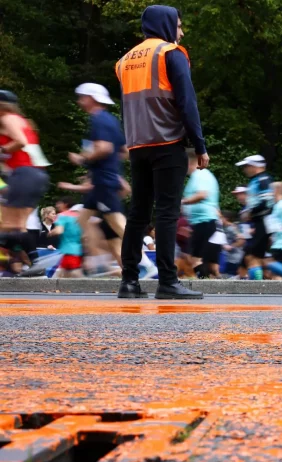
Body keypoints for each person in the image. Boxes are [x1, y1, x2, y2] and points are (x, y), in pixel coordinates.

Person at [115, 4, 205, 298]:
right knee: (167, 213)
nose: (181, 31)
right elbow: (187, 103)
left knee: (138, 214)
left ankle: (129, 282)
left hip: (138, 145)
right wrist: (199, 145)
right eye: (179, 25)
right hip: (167, 143)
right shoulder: (170, 53)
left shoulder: (125, 61)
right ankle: (167, 281)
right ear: (166, 25)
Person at [69, 83, 128, 273]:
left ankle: (143, 263)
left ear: (92, 98)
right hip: (101, 180)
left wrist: (83, 158)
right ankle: (117, 265)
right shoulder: (111, 120)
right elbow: (124, 151)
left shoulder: (99, 119)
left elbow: (104, 148)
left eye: (82, 97)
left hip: (104, 180)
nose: (80, 101)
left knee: (117, 223)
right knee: (82, 222)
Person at [0, 90, 50, 274]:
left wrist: (2, 150)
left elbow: (19, 142)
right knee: (16, 225)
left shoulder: (8, 118)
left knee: (9, 224)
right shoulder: (22, 120)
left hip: (25, 173)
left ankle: (23, 262)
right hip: (34, 174)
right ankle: (30, 264)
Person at [180, 147, 220, 277]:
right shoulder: (201, 175)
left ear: (189, 162)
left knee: (195, 257)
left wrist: (182, 202)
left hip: (204, 221)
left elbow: (202, 195)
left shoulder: (200, 174)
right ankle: (206, 279)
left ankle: (204, 281)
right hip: (202, 221)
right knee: (197, 257)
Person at [235, 155, 273, 280]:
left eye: (246, 166)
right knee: (252, 257)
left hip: (263, 221)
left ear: (254, 166)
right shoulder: (256, 180)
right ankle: (258, 283)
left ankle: (257, 286)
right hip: (258, 222)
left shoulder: (264, 179)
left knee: (252, 257)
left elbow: (267, 203)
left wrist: (250, 212)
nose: (245, 169)